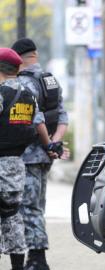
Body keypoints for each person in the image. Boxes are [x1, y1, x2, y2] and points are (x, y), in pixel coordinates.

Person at [11, 38, 69, 270]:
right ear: (34, 55)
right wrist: (54, 145)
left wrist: (46, 145)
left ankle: (37, 259)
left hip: (28, 156)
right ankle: (35, 257)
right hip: (45, 157)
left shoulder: (23, 84)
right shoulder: (50, 80)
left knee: (28, 208)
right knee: (37, 206)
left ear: (18, 59)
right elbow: (62, 117)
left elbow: (37, 120)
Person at [0, 48, 48, 270]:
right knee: (12, 217)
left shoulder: (1, 94)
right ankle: (18, 265)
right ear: (18, 68)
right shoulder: (28, 96)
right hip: (17, 166)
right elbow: (35, 125)